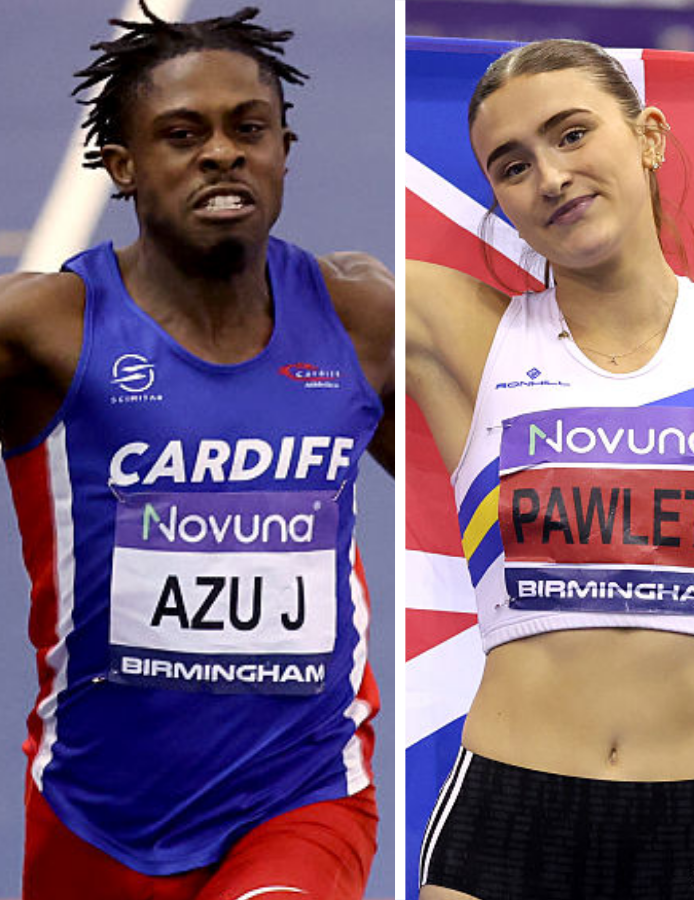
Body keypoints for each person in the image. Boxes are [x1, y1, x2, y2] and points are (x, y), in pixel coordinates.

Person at [0, 3, 395, 899]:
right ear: (122, 167)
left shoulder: (360, 319)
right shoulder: (46, 332)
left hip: (303, 794)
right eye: (183, 135)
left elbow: (464, 488)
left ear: (283, 150)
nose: (222, 153)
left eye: (247, 129)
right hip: (96, 811)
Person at [407, 38, 694, 900]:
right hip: (508, 825)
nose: (548, 177)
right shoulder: (461, 330)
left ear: (649, 135)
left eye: (572, 134)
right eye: (512, 166)